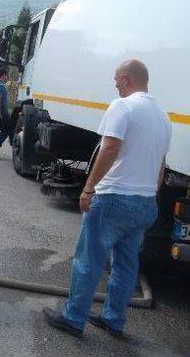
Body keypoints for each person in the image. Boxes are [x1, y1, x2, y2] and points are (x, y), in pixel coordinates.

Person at [43, 59, 171, 337]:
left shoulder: (122, 107)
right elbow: (161, 165)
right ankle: (113, 319)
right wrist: (148, 196)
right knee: (126, 264)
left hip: (114, 198)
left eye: (116, 78)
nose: (114, 83)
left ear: (126, 78)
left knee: (88, 260)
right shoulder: (163, 116)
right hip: (145, 203)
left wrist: (89, 187)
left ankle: (73, 318)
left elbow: (110, 148)